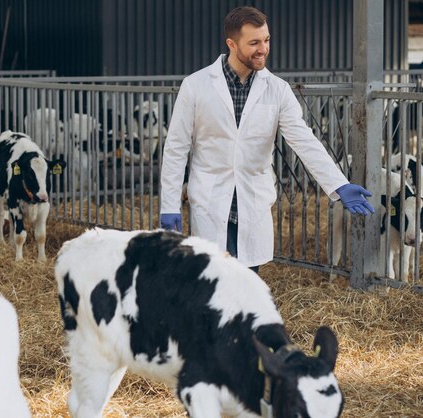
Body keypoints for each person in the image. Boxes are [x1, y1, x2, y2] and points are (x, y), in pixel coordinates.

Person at [159, 6, 373, 273]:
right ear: (232, 44)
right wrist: (169, 205)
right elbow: (176, 148)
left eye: (267, 40)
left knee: (247, 283)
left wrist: (339, 184)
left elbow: (303, 141)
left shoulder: (278, 90)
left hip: (252, 202)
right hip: (210, 201)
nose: (263, 49)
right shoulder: (196, 85)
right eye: (254, 43)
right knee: (212, 281)